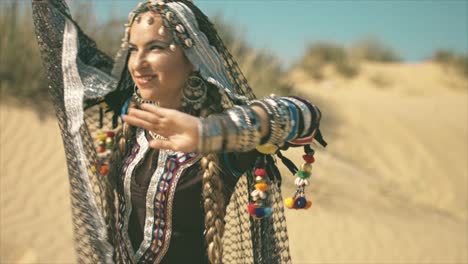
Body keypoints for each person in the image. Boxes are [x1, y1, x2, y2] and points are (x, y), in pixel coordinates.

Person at [32, 0, 327, 263]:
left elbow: (306, 116)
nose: (137, 63)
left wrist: (210, 132)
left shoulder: (227, 139)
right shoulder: (131, 112)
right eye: (133, 49)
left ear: (192, 56)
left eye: (155, 48)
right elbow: (64, 47)